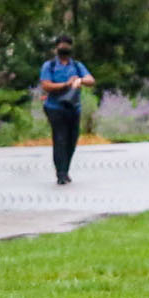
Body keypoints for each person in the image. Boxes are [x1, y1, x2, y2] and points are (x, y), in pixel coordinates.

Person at [39, 34, 95, 186]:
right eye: (61, 45)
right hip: (54, 107)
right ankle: (61, 173)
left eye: (67, 45)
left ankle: (66, 169)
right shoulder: (49, 66)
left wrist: (80, 80)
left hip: (73, 107)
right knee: (60, 139)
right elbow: (46, 85)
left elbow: (91, 80)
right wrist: (66, 84)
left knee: (72, 140)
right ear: (56, 48)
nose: (64, 48)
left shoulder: (76, 65)